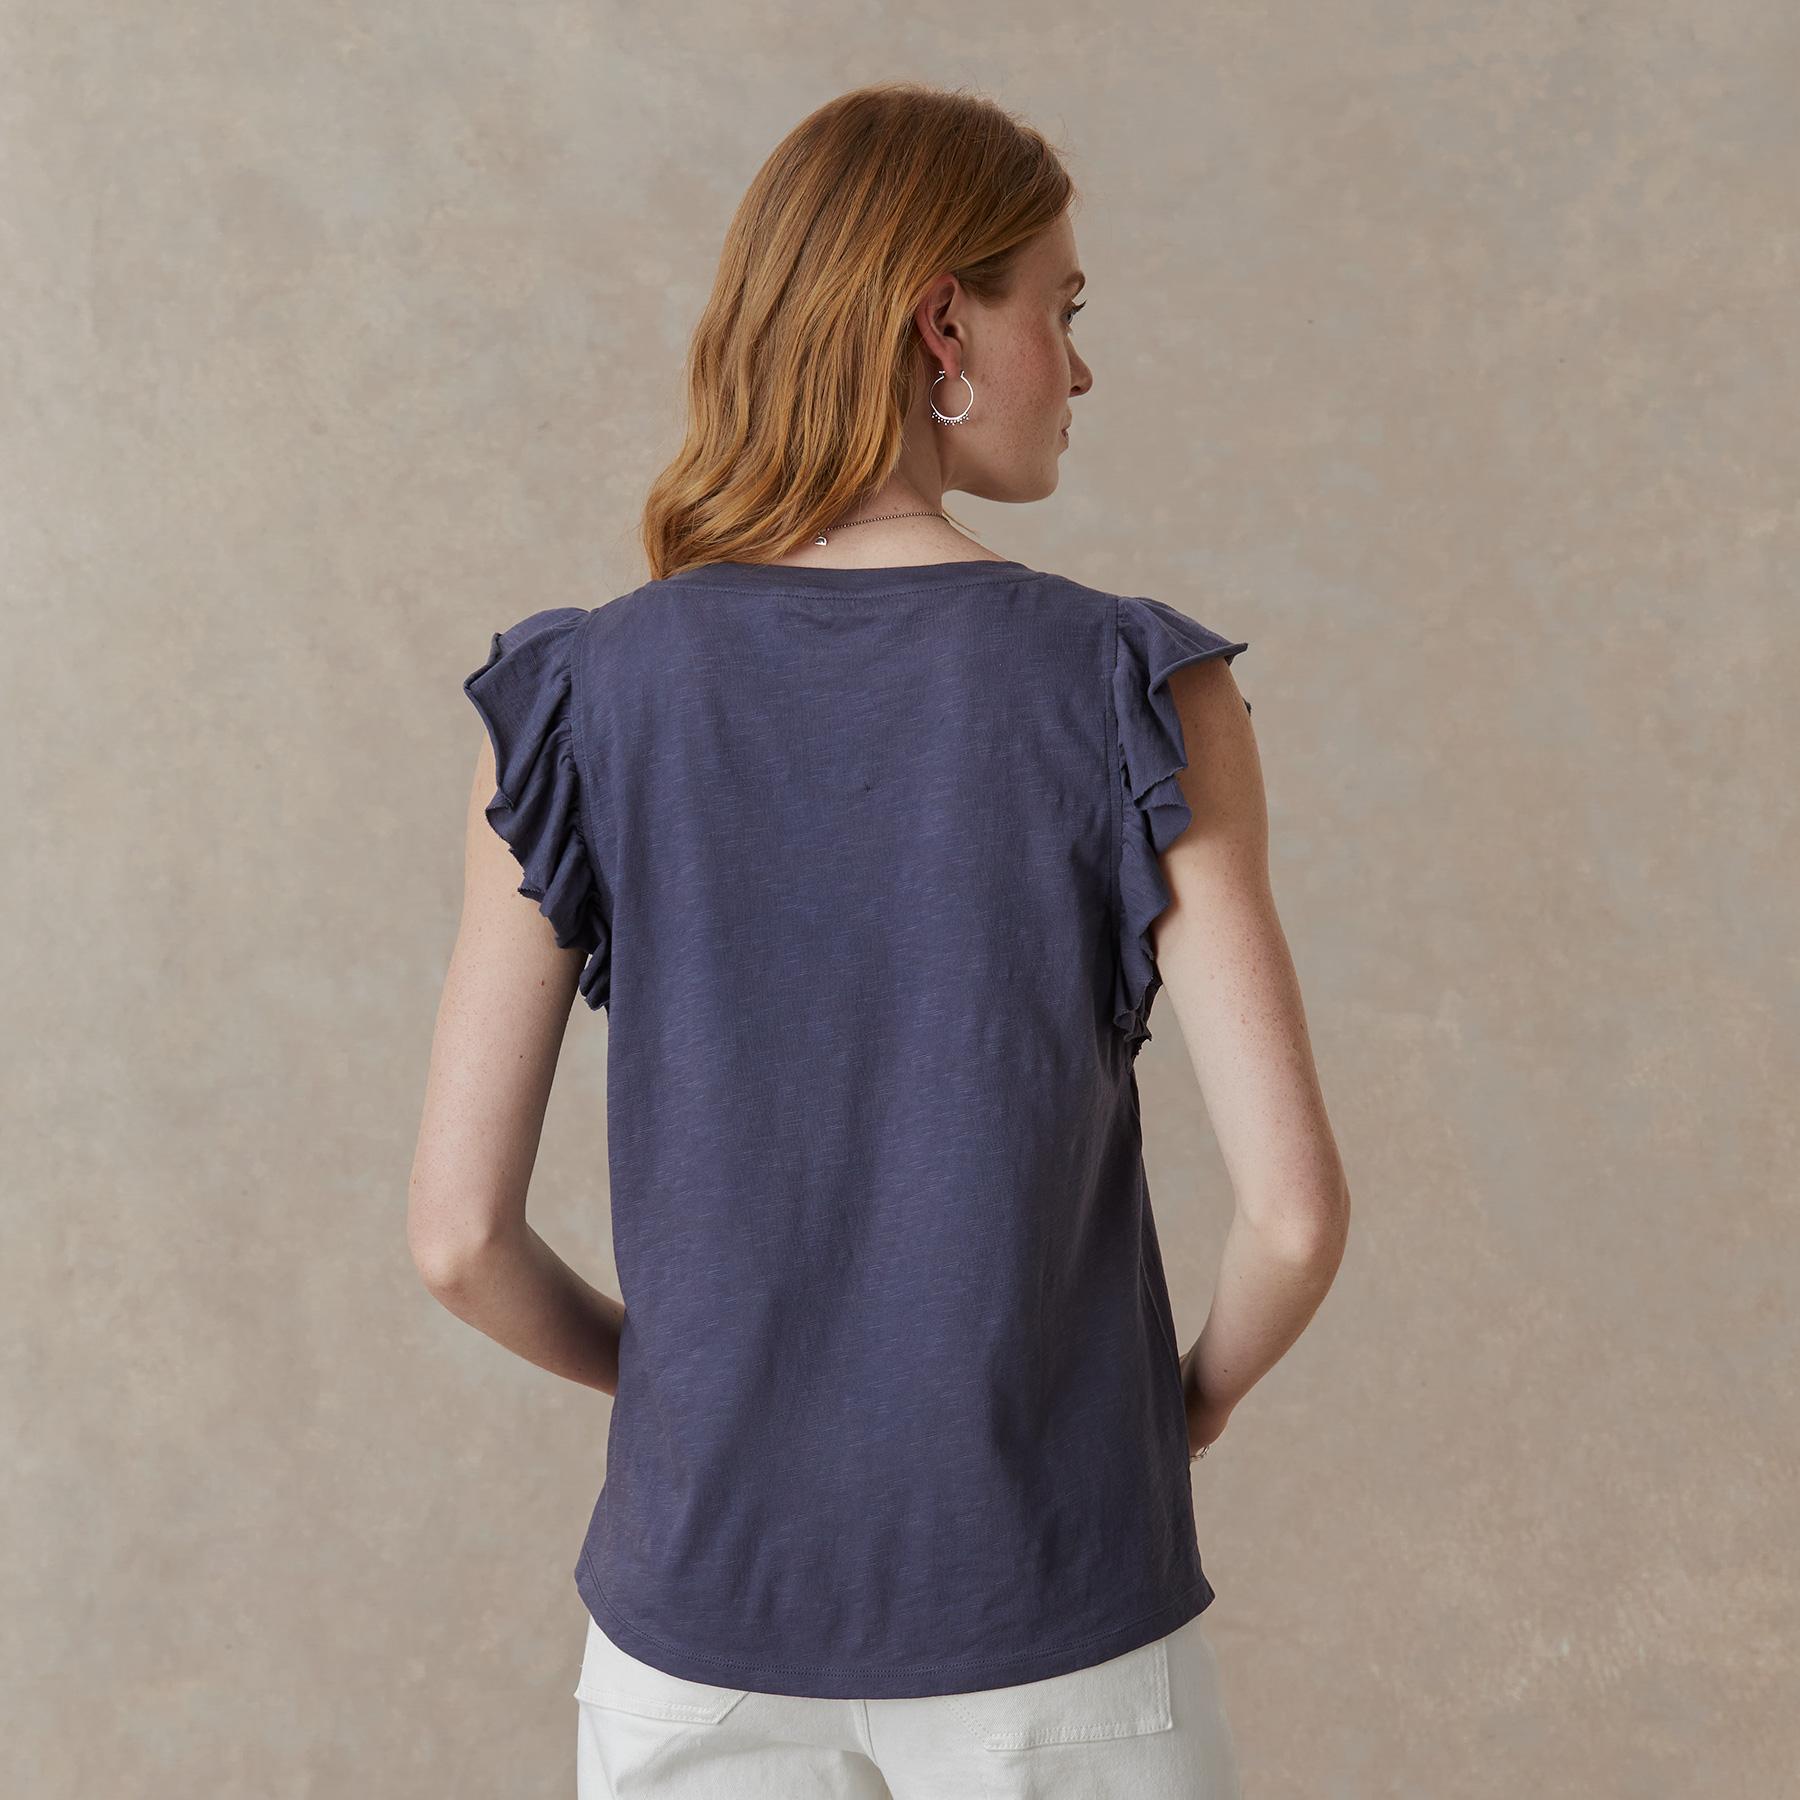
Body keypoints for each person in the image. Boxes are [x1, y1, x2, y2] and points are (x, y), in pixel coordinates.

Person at [409, 80, 1351, 1799]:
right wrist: (1183, 1406)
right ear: (943, 328)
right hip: (1054, 1608)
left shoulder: (576, 700)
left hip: (694, 1630)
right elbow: (1292, 1216)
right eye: (1061, 309)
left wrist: (688, 1397)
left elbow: (459, 1240)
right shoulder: (1136, 690)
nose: (1080, 370)